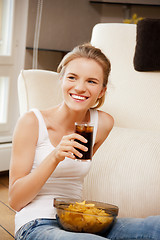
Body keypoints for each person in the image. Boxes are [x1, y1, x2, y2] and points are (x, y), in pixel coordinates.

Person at [9, 43, 160, 240]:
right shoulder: (32, 122)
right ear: (61, 79)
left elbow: (76, 171)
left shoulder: (103, 123)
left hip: (81, 221)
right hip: (37, 223)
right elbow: (15, 201)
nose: (80, 87)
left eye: (92, 81)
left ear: (102, 90)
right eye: (72, 77)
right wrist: (55, 156)